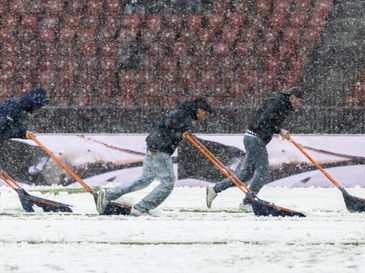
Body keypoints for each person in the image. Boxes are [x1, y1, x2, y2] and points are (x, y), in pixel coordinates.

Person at [97, 97, 213, 216]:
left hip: (153, 147)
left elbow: (167, 126)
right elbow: (168, 125)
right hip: (160, 150)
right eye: (205, 114)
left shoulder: (183, 112)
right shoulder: (184, 115)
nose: (205, 117)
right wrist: (180, 133)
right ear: (199, 109)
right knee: (168, 183)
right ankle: (141, 208)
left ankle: (109, 195)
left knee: (144, 180)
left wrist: (181, 132)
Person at [206, 86, 305, 211]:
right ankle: (247, 203)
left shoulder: (282, 105)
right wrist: (279, 130)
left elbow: (267, 122)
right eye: (299, 101)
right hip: (255, 139)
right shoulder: (277, 104)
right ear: (292, 97)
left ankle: (215, 189)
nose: (299, 105)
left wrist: (278, 130)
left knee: (246, 173)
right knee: (263, 175)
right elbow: (264, 122)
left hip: (252, 137)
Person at [0, 87, 50, 172]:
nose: (40, 110)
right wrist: (22, 133)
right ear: (35, 102)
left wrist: (23, 133)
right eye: (40, 106)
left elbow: (6, 131)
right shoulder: (13, 106)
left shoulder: (20, 108)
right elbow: (2, 129)